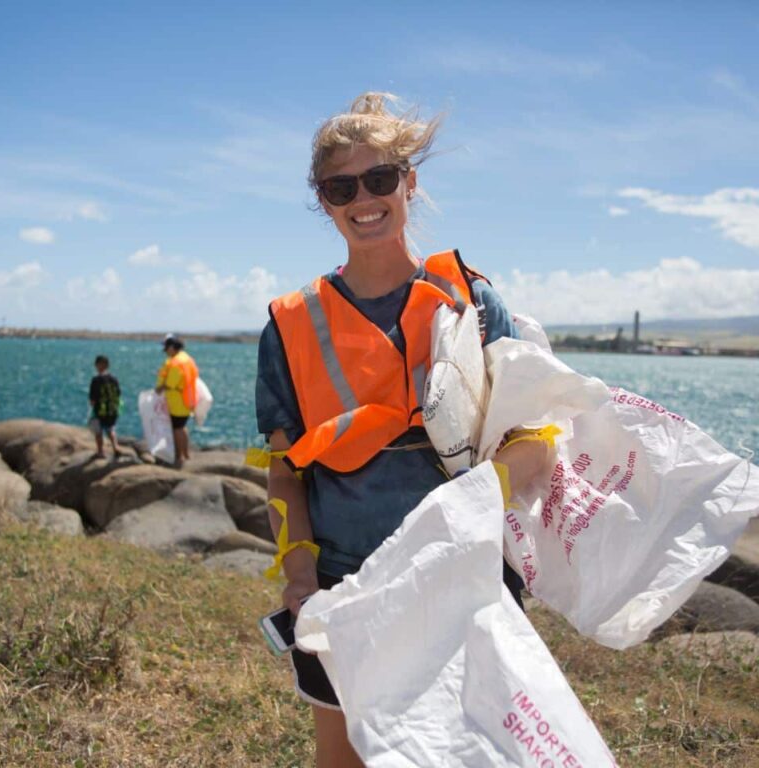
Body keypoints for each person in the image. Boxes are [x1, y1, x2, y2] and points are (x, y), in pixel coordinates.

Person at [255, 92, 550, 767]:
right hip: (344, 589)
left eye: (381, 178)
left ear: (410, 183)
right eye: (341, 186)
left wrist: (459, 515)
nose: (364, 198)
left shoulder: (471, 300)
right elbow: (283, 469)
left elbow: (533, 443)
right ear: (323, 200)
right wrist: (300, 579)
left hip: (469, 587)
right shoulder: (290, 323)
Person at [155, 334, 198, 467]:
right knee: (182, 427)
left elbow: (170, 383)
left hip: (177, 402)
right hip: (187, 399)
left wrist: (160, 388)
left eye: (167, 348)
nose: (165, 351)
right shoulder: (187, 359)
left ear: (173, 347)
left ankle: (179, 457)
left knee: (177, 429)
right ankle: (186, 454)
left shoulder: (176, 362)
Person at [89, 354, 121, 458]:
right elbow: (118, 393)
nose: (96, 366)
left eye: (97, 364)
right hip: (112, 410)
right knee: (111, 429)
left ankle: (100, 452)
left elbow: (92, 398)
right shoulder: (114, 379)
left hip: (99, 410)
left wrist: (92, 406)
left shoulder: (96, 380)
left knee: (98, 432)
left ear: (100, 365)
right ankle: (115, 447)